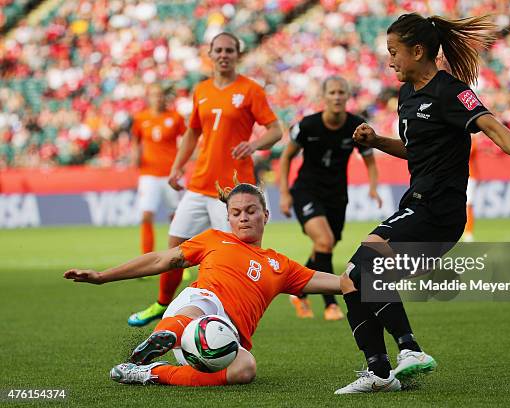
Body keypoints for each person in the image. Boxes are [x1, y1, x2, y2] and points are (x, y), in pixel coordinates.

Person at [334, 13, 510, 394]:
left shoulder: (451, 91)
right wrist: (378, 141)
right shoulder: (406, 95)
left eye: (394, 52)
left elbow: (490, 124)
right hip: (416, 203)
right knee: (352, 278)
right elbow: (415, 150)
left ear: (418, 51)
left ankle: (410, 349)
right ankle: (379, 371)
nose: (390, 60)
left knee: (367, 262)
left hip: (439, 210)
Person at [64, 182, 341, 387]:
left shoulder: (280, 265)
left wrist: (374, 282)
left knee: (245, 370)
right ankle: (161, 338)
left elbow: (332, 282)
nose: (243, 217)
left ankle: (150, 372)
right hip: (197, 309)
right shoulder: (213, 239)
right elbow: (162, 259)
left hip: (222, 340)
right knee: (202, 306)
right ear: (229, 218)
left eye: (251, 211)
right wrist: (102, 277)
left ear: (265, 216)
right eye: (236, 212)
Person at [127, 32, 282, 327]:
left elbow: (276, 130)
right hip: (199, 184)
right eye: (219, 50)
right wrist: (176, 167)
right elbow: (193, 133)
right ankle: (162, 304)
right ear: (210, 55)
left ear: (237, 55)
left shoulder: (250, 90)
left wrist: (256, 144)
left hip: (233, 192)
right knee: (174, 248)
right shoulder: (201, 90)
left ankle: (228, 320)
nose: (224, 55)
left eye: (229, 50)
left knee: (229, 260)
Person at [279, 75, 382, 321]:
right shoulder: (307, 125)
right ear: (324, 97)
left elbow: (369, 159)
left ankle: (297, 291)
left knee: (324, 246)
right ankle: (331, 304)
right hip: (306, 190)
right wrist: (284, 193)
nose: (337, 97)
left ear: (347, 96)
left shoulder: (357, 126)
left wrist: (374, 187)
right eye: (332, 92)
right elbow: (285, 158)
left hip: (337, 195)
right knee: (324, 241)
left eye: (341, 92)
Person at [131, 84, 185, 255]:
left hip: (171, 173)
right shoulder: (141, 118)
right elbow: (136, 140)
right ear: (149, 98)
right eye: (154, 95)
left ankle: (177, 262)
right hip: (149, 174)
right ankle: (146, 260)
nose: (158, 98)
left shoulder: (175, 117)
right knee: (146, 215)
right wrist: (135, 156)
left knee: (176, 218)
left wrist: (182, 164)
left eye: (160, 95)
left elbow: (186, 140)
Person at [463, 135, 479, 242]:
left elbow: (467, 153)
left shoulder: (473, 141)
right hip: (458, 175)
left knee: (468, 204)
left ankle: (468, 232)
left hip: (470, 176)